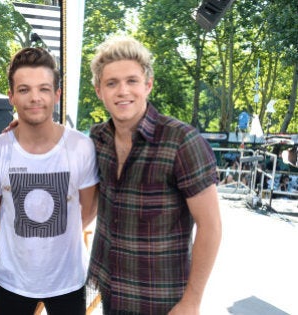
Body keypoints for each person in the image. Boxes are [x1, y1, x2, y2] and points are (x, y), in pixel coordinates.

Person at [87, 36, 222, 314]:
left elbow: (210, 226)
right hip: (111, 294)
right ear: (99, 90)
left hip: (162, 301)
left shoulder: (181, 141)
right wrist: (23, 129)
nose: (122, 91)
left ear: (147, 85)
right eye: (112, 83)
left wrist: (192, 301)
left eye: (132, 81)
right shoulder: (97, 138)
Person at [0, 47, 99, 314]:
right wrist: (26, 231)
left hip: (68, 281)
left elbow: (88, 211)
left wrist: (58, 234)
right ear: (11, 96)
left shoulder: (82, 148)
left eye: (43, 89)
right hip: (13, 281)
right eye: (24, 89)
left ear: (56, 94)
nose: (34, 98)